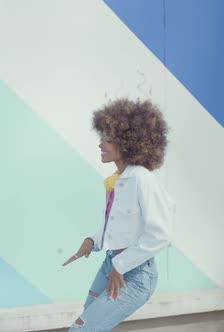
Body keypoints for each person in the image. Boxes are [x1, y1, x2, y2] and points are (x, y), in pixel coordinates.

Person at [62, 98, 175, 331]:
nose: (101, 144)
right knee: (86, 322)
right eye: (102, 138)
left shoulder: (142, 179)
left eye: (109, 139)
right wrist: (92, 240)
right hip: (111, 264)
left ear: (129, 143)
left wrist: (120, 265)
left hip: (134, 273)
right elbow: (115, 225)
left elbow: (161, 234)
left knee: (82, 329)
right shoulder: (117, 181)